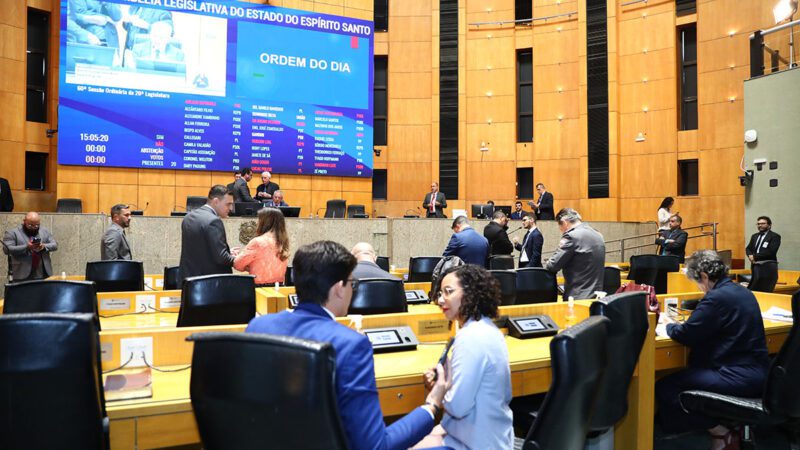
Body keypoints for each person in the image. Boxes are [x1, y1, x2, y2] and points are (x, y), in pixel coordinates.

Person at [246, 240, 447, 450]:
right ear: (339, 289)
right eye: (352, 283)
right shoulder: (352, 345)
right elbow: (376, 446)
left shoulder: (258, 326)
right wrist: (431, 406)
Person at [655, 250, 769, 448]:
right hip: (759, 372)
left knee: (665, 387)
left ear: (705, 277)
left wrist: (666, 325)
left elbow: (686, 335)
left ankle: (719, 431)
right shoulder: (743, 291)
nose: (700, 289)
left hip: (737, 376)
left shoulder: (716, 298)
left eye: (698, 282)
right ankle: (728, 423)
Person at [418, 265, 514, 449]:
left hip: (475, 443)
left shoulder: (470, 337)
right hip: (489, 436)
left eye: (448, 292)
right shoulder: (488, 329)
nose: (440, 300)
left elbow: (457, 407)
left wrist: (439, 389)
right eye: (439, 293)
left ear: (471, 293)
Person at [178, 185, 236, 283]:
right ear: (216, 201)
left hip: (189, 281)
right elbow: (221, 258)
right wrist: (238, 258)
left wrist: (228, 252)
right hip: (209, 285)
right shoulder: (214, 221)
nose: (231, 208)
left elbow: (201, 249)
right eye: (228, 204)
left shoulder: (188, 217)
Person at [544, 208, 605, 299]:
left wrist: (547, 262)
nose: (561, 230)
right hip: (597, 296)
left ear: (565, 222)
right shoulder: (598, 235)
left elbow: (553, 265)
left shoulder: (571, 236)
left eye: (560, 227)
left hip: (577, 296)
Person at [233, 207, 289, 286]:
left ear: (264, 222)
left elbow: (237, 264)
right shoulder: (283, 241)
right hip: (279, 287)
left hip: (260, 289)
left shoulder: (257, 242)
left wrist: (235, 256)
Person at [2, 212, 58, 281]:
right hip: (21, 273)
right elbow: (7, 249)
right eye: (30, 225)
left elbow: (55, 245)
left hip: (43, 273)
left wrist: (43, 246)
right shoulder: (12, 233)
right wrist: (27, 247)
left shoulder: (44, 231)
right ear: (24, 221)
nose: (34, 228)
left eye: (37, 225)